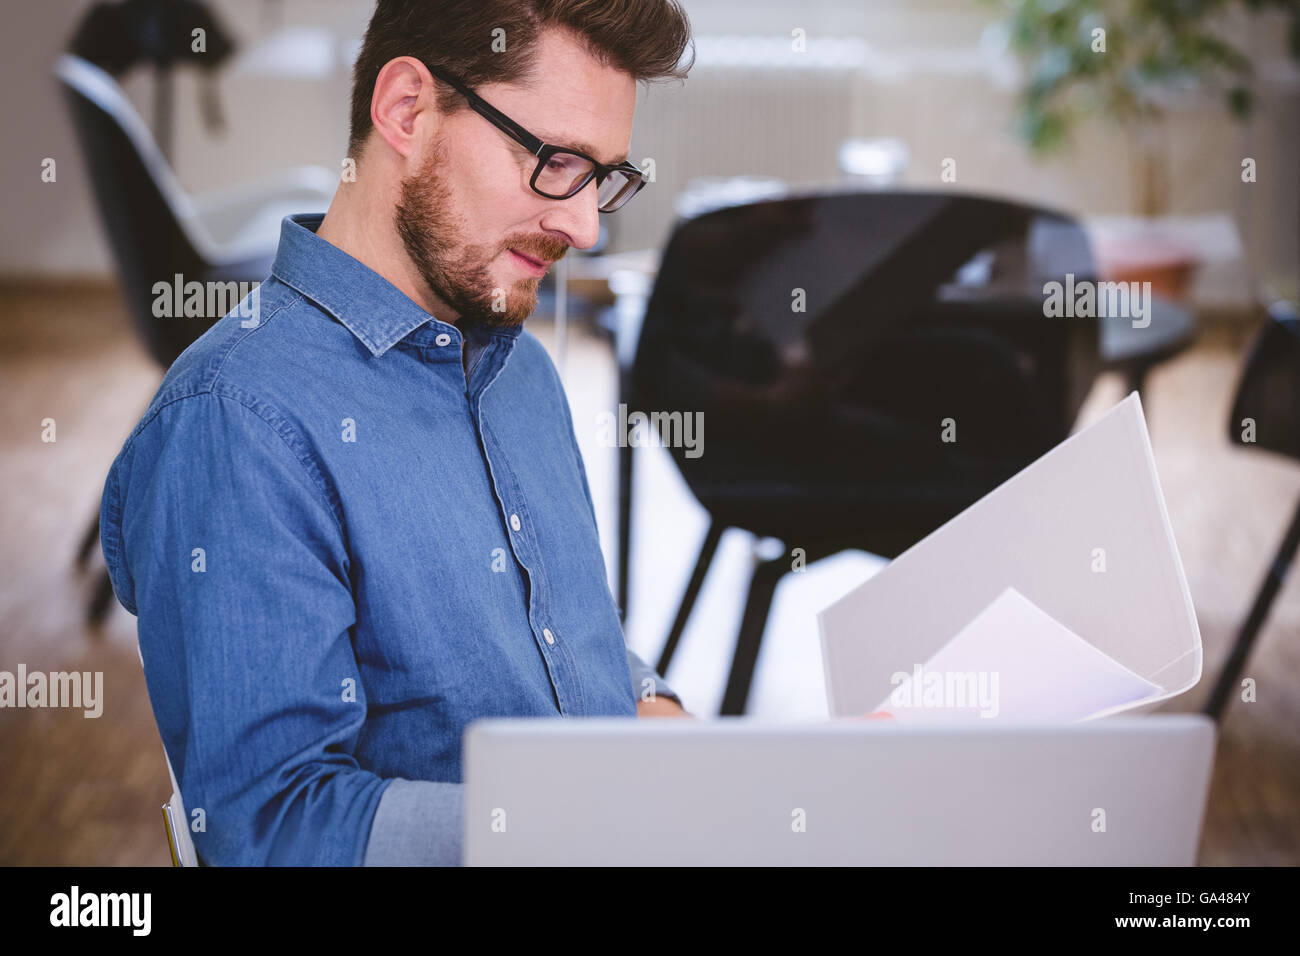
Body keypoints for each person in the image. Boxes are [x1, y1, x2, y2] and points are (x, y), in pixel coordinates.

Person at [98, 0, 695, 866]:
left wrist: (662, 718)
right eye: (556, 162)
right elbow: (269, 831)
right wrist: (602, 825)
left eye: (603, 176)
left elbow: (552, 637)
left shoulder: (518, 369)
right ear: (408, 110)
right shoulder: (237, 425)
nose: (585, 226)